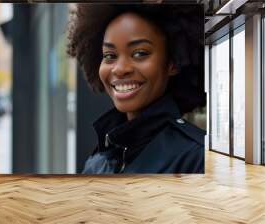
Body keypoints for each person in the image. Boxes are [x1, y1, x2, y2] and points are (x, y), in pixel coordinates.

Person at [67, 4, 206, 174]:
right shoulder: (97, 163)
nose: (120, 68)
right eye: (110, 56)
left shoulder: (197, 157)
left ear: (173, 62)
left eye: (140, 53)